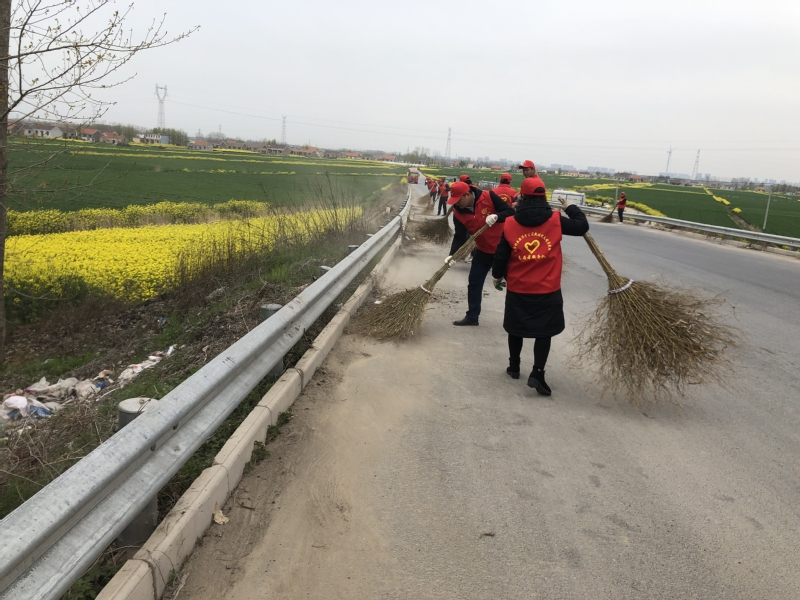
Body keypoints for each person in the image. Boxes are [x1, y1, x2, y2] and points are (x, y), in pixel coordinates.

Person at [492, 176, 589, 395]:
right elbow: (582, 226)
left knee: (516, 327)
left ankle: (514, 366)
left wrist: (497, 276)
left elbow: (501, 254)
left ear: (522, 197)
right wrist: (571, 207)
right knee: (544, 332)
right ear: (544, 196)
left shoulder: (510, 223)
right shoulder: (555, 220)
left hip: (518, 287)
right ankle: (537, 372)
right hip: (547, 288)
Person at [445, 181, 515, 326]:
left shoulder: (489, 197)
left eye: (458, 200)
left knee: (514, 284)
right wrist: (452, 255)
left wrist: (497, 216)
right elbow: (459, 236)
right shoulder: (458, 213)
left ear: (467, 195)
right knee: (474, 282)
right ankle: (472, 316)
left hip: (503, 250)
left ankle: (517, 318)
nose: (456, 204)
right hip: (483, 250)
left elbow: (510, 212)